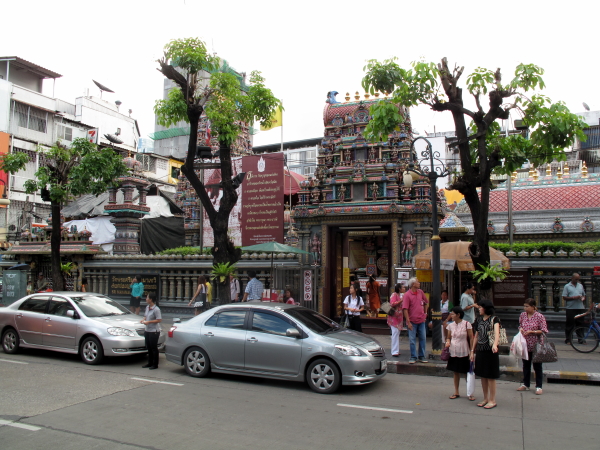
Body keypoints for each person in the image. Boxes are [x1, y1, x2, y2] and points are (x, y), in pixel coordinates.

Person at [470, 300, 500, 409]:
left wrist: (495, 345)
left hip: (491, 350)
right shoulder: (479, 320)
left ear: (486, 308)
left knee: (490, 376)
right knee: (483, 375)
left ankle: (492, 399)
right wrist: (472, 351)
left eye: (481, 307)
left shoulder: (494, 319)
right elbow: (476, 336)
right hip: (481, 350)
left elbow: (497, 333)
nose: (479, 309)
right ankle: (485, 398)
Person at [517, 299, 548, 395]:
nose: (525, 308)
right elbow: (520, 325)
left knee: (537, 366)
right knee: (526, 365)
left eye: (527, 306)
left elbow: (543, 330)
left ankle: (539, 386)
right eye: (524, 306)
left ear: (533, 307)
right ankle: (526, 384)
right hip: (525, 344)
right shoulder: (522, 315)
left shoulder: (539, 316)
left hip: (536, 344)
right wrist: (521, 329)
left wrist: (532, 332)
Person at [446, 306, 475, 400]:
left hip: (464, 350)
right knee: (456, 372)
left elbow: (471, 337)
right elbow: (448, 337)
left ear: (458, 315)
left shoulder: (467, 324)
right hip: (453, 350)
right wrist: (448, 341)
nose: (451, 315)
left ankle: (470, 393)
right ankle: (456, 391)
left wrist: (471, 351)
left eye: (453, 314)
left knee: (466, 372)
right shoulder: (450, 325)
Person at [403, 277, 429, 364]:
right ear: (413, 284)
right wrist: (408, 321)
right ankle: (413, 356)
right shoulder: (407, 295)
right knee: (412, 340)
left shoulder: (420, 292)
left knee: (423, 338)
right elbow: (405, 309)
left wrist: (425, 314)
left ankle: (421, 356)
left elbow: (426, 302)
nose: (419, 283)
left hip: (421, 320)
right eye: (417, 282)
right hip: (412, 321)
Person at [562, 272, 586, 344]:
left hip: (580, 307)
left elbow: (584, 295)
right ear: (572, 278)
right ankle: (569, 339)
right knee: (570, 324)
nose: (577, 281)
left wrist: (582, 298)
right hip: (571, 308)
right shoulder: (567, 286)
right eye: (575, 279)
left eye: (578, 279)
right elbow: (564, 297)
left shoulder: (580, 285)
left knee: (580, 323)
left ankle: (581, 339)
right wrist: (573, 297)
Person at [140, 292, 162, 370]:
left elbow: (159, 320)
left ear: (151, 299)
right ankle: (150, 362)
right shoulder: (147, 307)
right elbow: (145, 316)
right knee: (148, 347)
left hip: (154, 331)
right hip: (147, 330)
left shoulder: (156, 309)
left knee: (153, 347)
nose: (146, 299)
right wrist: (143, 320)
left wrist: (149, 322)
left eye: (147, 298)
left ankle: (155, 364)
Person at [387, 284, 405, 357]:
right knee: (395, 333)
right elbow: (392, 304)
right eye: (403, 287)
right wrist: (401, 301)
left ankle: (396, 350)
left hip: (399, 317)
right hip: (394, 317)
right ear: (399, 288)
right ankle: (394, 351)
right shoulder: (394, 295)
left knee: (397, 333)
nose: (404, 288)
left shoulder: (402, 295)